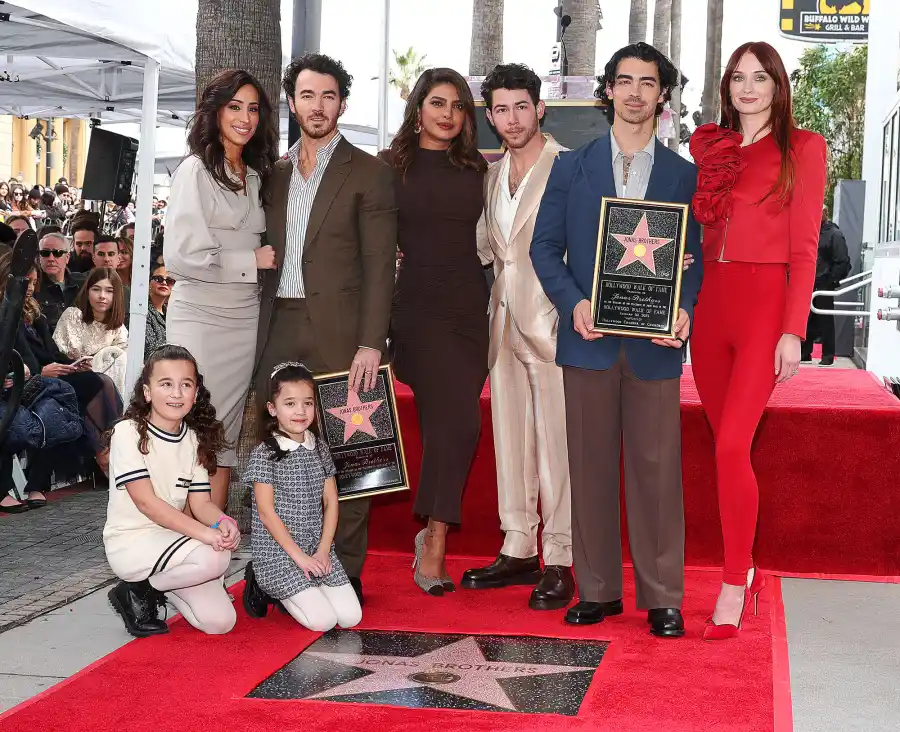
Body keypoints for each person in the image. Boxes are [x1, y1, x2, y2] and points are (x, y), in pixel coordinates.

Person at [531, 42, 703, 638]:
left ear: (662, 95)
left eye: (647, 83)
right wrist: (574, 304)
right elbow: (543, 248)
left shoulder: (684, 175)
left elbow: (693, 258)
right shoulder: (571, 166)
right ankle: (598, 590)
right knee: (591, 468)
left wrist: (682, 308)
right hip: (590, 340)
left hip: (655, 349)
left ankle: (663, 596)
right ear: (609, 90)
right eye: (624, 81)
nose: (635, 92)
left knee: (658, 473)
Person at [689, 42, 827, 639]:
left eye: (760, 77)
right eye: (738, 78)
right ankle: (740, 569)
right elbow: (687, 240)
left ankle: (732, 580)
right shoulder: (710, 148)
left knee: (729, 449)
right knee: (729, 449)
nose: (748, 88)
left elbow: (805, 248)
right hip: (709, 310)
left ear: (777, 85)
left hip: (764, 311)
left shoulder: (803, 148)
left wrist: (793, 330)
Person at [255, 53, 396, 605]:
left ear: (342, 102)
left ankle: (346, 568)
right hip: (279, 327)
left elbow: (380, 265)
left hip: (345, 333)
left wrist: (371, 342)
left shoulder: (370, 173)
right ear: (292, 101)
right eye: (308, 96)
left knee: (354, 452)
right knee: (275, 451)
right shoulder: (274, 174)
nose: (318, 106)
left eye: (329, 96)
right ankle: (275, 567)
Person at [461, 63, 574, 610]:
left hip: (553, 322)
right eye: (501, 109)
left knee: (556, 444)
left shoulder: (568, 169)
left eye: (521, 106)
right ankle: (518, 542)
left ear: (540, 108)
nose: (511, 119)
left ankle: (560, 554)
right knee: (510, 436)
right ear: (490, 116)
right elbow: (488, 248)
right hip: (501, 321)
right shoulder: (490, 174)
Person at [379, 68, 488, 596]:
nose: (448, 114)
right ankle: (437, 539)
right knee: (461, 423)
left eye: (459, 106)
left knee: (455, 423)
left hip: (471, 311)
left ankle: (433, 531)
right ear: (418, 107)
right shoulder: (388, 168)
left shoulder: (478, 170)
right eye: (438, 103)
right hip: (417, 313)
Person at [164, 68, 279, 511]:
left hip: (244, 319)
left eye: (253, 109)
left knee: (224, 435)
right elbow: (180, 256)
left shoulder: (255, 175)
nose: (245, 118)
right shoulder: (194, 171)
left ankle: (213, 541)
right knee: (189, 427)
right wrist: (249, 260)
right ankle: (171, 543)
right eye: (235, 107)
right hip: (201, 318)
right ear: (214, 112)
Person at [103, 345, 240, 638]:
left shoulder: (192, 439)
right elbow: (147, 503)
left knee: (220, 623)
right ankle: (136, 588)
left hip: (170, 542)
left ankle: (153, 586)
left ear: (195, 392)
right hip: (132, 541)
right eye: (166, 384)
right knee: (215, 558)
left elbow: (202, 504)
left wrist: (222, 523)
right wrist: (204, 535)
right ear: (147, 392)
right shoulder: (128, 432)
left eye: (185, 385)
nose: (176, 393)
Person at [242, 362, 363, 631]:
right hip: (281, 554)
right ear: (272, 409)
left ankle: (306, 591)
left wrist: (323, 550)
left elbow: (331, 502)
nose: (300, 411)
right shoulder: (265, 454)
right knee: (323, 621)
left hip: (316, 549)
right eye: (290, 403)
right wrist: (300, 558)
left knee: (351, 618)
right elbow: (266, 512)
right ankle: (262, 581)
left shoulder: (319, 447)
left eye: (307, 403)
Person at [0, 253, 121, 479]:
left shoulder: (34, 313)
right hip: (26, 383)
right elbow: (12, 358)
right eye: (27, 281)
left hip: (49, 379)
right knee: (94, 384)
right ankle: (105, 453)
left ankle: (105, 451)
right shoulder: (6, 315)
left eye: (35, 282)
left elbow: (52, 353)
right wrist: (41, 371)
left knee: (96, 381)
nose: (31, 288)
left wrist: (73, 365)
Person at [53, 267, 129, 395]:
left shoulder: (119, 329)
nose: (102, 296)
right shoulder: (72, 316)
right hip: (69, 381)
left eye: (109, 291)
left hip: (104, 387)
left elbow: (120, 368)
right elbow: (58, 355)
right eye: (96, 289)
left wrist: (96, 365)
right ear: (87, 292)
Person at [801, 209, 850, 367]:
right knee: (807, 319)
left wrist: (830, 281)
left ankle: (828, 355)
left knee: (825, 320)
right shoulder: (812, 232)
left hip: (823, 283)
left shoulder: (834, 234)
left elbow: (843, 261)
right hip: (809, 282)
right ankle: (805, 353)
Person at [33, 232, 86, 333]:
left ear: (67, 257)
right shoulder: (32, 287)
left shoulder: (83, 283)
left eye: (57, 253)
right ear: (39, 257)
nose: (51, 259)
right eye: (45, 253)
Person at [145, 260, 172, 360]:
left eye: (169, 280)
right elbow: (149, 349)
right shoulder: (142, 311)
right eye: (158, 279)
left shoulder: (172, 313)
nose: (164, 283)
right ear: (148, 282)